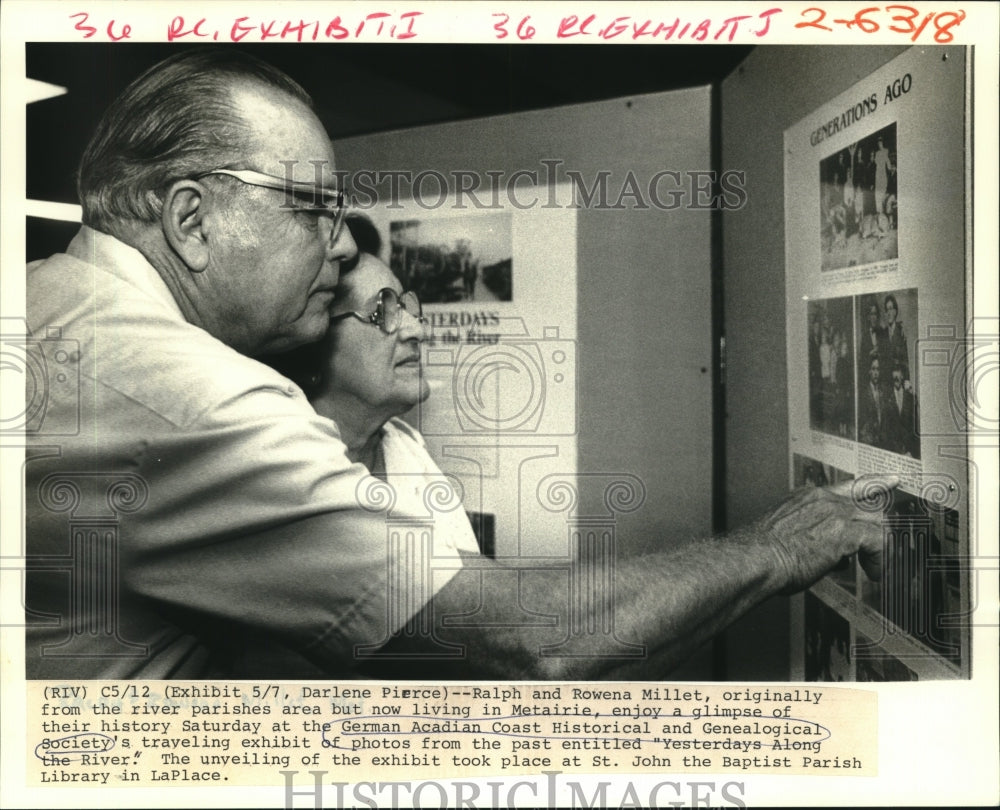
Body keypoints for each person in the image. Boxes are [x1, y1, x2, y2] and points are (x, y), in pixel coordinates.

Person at [24, 49, 893, 681]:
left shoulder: (44, 300)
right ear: (190, 219)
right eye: (315, 209)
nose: (336, 248)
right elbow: (528, 639)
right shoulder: (197, 397)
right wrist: (776, 550)